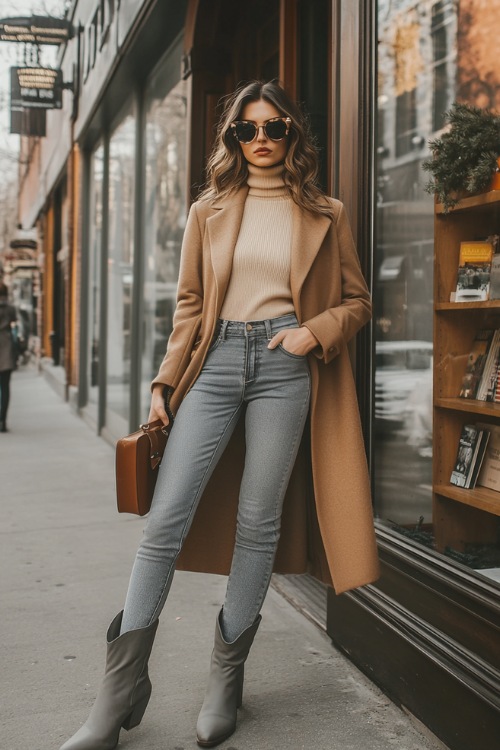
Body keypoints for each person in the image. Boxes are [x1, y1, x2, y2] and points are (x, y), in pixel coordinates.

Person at [60, 79, 380, 750]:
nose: (260, 139)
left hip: (286, 364)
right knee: (164, 521)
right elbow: (189, 307)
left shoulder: (327, 211)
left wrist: (311, 331)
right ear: (232, 138)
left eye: (274, 128)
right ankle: (117, 696)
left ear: (293, 134)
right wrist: (163, 383)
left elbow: (358, 301)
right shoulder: (208, 211)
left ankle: (225, 683)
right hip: (215, 363)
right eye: (247, 129)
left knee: (257, 522)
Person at [0, 282, 17, 433]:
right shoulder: (10, 309)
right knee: (5, 388)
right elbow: (14, 323)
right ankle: (2, 420)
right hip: (5, 350)